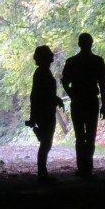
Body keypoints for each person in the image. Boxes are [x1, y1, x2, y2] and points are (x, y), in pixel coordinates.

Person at [61, 33, 105, 177]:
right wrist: (104, 106)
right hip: (91, 101)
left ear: (79, 44)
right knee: (90, 135)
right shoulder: (98, 61)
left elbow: (64, 81)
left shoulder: (72, 62)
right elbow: (102, 84)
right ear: (91, 43)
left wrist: (72, 95)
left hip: (78, 102)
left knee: (80, 136)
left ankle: (82, 167)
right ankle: (88, 167)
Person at [27, 45, 64, 181]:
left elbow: (41, 94)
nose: (52, 56)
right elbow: (40, 95)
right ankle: (42, 174)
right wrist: (55, 99)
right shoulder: (42, 73)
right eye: (49, 54)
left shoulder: (42, 72)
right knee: (46, 143)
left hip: (44, 111)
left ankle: (42, 173)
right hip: (44, 112)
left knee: (46, 143)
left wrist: (56, 99)